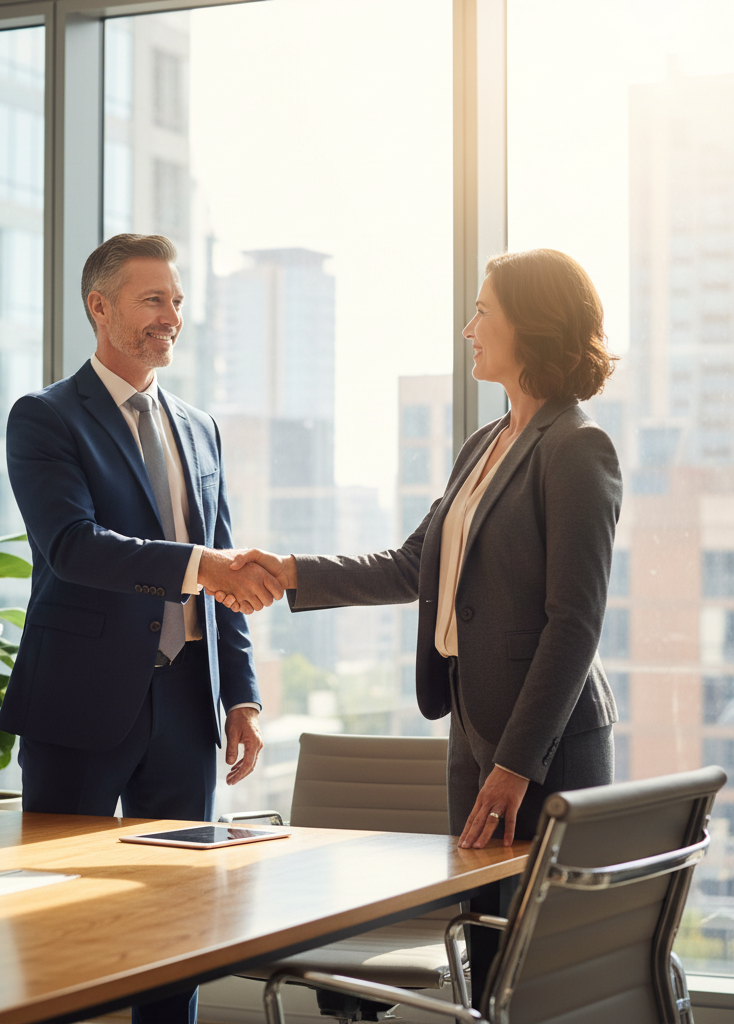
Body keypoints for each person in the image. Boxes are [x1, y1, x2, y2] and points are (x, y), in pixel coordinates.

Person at [216, 248, 622, 1006]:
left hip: (546, 743)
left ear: (529, 327)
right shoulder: (485, 444)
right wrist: (293, 570)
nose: (469, 329)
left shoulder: (576, 447)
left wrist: (517, 764)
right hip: (474, 728)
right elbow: (413, 565)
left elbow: (576, 624)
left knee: (540, 967)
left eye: (483, 312)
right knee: (484, 949)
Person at [0, 233, 282, 1024]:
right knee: (60, 921)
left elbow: (221, 575)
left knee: (179, 926)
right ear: (101, 307)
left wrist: (243, 697)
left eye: (178, 301)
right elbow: (72, 546)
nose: (172, 317)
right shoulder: (45, 418)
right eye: (153, 299)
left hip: (190, 706)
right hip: (78, 707)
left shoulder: (201, 427)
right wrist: (202, 565)